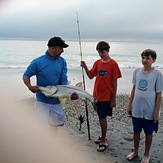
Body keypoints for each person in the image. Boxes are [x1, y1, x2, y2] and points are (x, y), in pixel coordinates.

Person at [23, 36, 78, 128]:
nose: (62, 51)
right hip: (42, 101)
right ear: (52, 48)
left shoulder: (62, 61)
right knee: (39, 127)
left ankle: (51, 142)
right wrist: (30, 86)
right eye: (60, 48)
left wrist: (70, 94)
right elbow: (26, 75)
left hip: (57, 102)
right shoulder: (38, 62)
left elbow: (64, 81)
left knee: (54, 126)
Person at [80, 41, 122, 152]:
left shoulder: (113, 64)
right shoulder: (97, 63)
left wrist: (114, 99)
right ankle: (103, 136)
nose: (101, 54)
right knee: (100, 116)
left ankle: (103, 140)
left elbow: (115, 82)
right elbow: (90, 76)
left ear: (108, 50)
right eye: (99, 52)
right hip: (97, 95)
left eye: (102, 51)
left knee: (103, 118)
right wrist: (85, 67)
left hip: (107, 96)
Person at [126, 49, 163, 163]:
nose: (144, 60)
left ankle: (146, 154)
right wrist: (129, 105)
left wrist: (156, 112)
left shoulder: (157, 74)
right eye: (143, 57)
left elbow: (159, 94)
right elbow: (134, 89)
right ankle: (136, 151)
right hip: (137, 107)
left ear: (154, 60)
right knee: (136, 131)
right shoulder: (137, 71)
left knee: (148, 132)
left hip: (150, 109)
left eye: (147, 58)